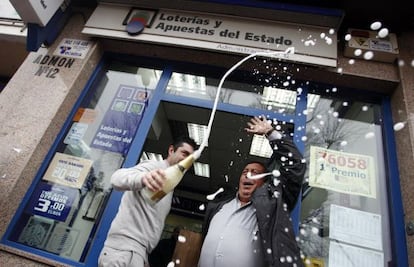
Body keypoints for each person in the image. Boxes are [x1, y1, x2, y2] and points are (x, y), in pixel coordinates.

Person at [198, 115, 306, 267]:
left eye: (255, 173)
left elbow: (295, 166)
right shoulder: (218, 207)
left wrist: (270, 133)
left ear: (264, 183)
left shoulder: (273, 207)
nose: (248, 174)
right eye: (245, 172)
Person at [98, 136, 197, 267]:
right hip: (123, 252)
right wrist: (144, 178)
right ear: (171, 150)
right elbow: (117, 178)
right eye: (184, 154)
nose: (186, 160)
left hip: (139, 253)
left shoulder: (170, 183)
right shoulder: (154, 167)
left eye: (190, 158)